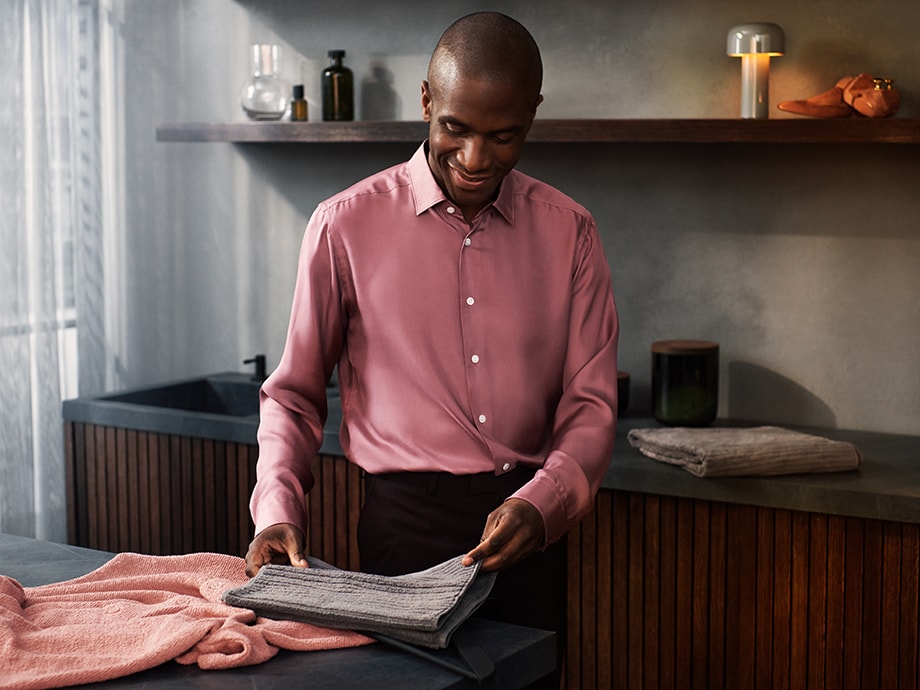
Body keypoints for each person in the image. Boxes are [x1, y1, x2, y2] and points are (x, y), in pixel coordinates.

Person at [245, 11, 618, 682]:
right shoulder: (343, 225)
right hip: (402, 533)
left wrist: (546, 501)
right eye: (456, 128)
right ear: (426, 101)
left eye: (505, 136)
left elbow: (591, 405)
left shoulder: (573, 233)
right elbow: (295, 396)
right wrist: (276, 508)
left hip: (530, 531)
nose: (476, 160)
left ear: (533, 115)